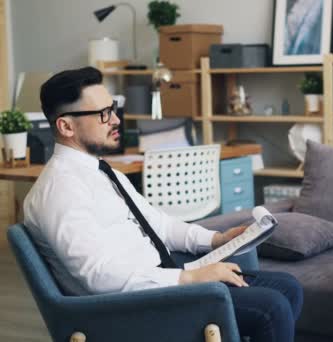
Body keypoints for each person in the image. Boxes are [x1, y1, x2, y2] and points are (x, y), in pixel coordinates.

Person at [24, 67, 303, 342]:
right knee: (271, 308)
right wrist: (191, 278)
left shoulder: (101, 171)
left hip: (161, 282)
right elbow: (99, 277)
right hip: (133, 308)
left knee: (288, 286)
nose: (116, 121)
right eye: (103, 114)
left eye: (112, 109)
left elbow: (159, 224)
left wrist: (217, 240)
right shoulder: (60, 190)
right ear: (66, 126)